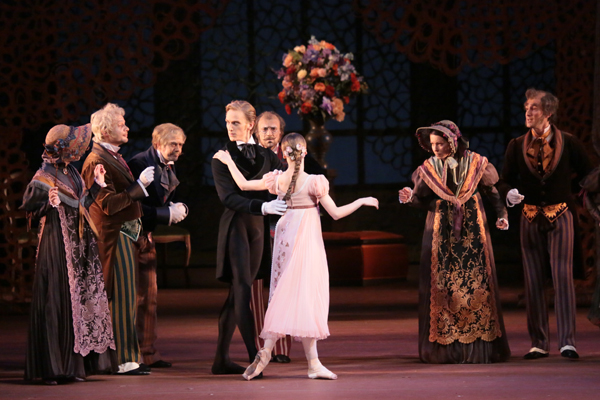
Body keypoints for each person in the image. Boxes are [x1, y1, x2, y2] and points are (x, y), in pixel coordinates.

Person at [213, 132, 378, 380]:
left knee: (285, 292)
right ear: (304, 153)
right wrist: (361, 201)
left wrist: (228, 162)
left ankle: (280, 353)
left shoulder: (278, 180)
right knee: (306, 294)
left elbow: (244, 185)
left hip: (285, 235)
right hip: (306, 240)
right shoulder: (314, 182)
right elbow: (335, 213)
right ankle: (302, 360)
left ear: (283, 152)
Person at [398, 120, 511, 364]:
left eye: (440, 144)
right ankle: (446, 349)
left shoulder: (476, 163)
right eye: (433, 145)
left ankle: (480, 347)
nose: (436, 149)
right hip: (441, 231)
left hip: (474, 231)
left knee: (476, 284)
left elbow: (492, 193)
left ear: (452, 141)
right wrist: (410, 198)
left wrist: (502, 215)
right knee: (443, 287)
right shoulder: (428, 168)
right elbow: (420, 199)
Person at [498, 88, 592, 360]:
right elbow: (505, 179)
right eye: (527, 107)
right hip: (529, 216)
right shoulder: (517, 145)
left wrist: (570, 191)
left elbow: (588, 175)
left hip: (561, 214)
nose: (528, 112)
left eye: (534, 108)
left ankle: (567, 341)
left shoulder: (569, 142)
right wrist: (509, 193)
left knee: (562, 278)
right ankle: (539, 341)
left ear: (548, 112)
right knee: (533, 280)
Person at [22, 124, 115, 384]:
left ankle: (73, 366)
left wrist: (97, 186)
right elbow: (30, 206)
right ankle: (52, 368)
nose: (79, 148)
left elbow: (81, 204)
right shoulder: (44, 176)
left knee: (76, 303)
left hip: (79, 245)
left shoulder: (71, 172)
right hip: (57, 245)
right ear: (62, 148)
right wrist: (46, 204)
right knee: (57, 301)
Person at [211, 100, 287, 375]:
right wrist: (262, 206)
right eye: (228, 122)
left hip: (257, 228)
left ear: (249, 125)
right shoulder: (221, 156)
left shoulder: (266, 155)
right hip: (236, 227)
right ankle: (257, 357)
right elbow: (229, 197)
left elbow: (287, 179)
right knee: (242, 289)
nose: (230, 128)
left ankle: (220, 360)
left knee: (237, 295)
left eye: (236, 122)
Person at [81, 103, 156, 375]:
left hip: (125, 231)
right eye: (121, 123)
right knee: (122, 297)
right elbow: (108, 205)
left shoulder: (110, 156)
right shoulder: (96, 160)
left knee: (127, 296)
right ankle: (124, 360)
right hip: (115, 234)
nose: (126, 127)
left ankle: (128, 357)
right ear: (105, 129)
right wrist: (140, 187)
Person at [128, 123, 188, 369]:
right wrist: (166, 214)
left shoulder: (169, 167)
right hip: (130, 237)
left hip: (147, 236)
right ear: (157, 143)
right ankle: (131, 355)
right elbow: (131, 207)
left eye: (181, 145)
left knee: (150, 298)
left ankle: (149, 353)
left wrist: (175, 210)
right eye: (173, 144)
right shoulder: (138, 164)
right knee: (133, 298)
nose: (177, 149)